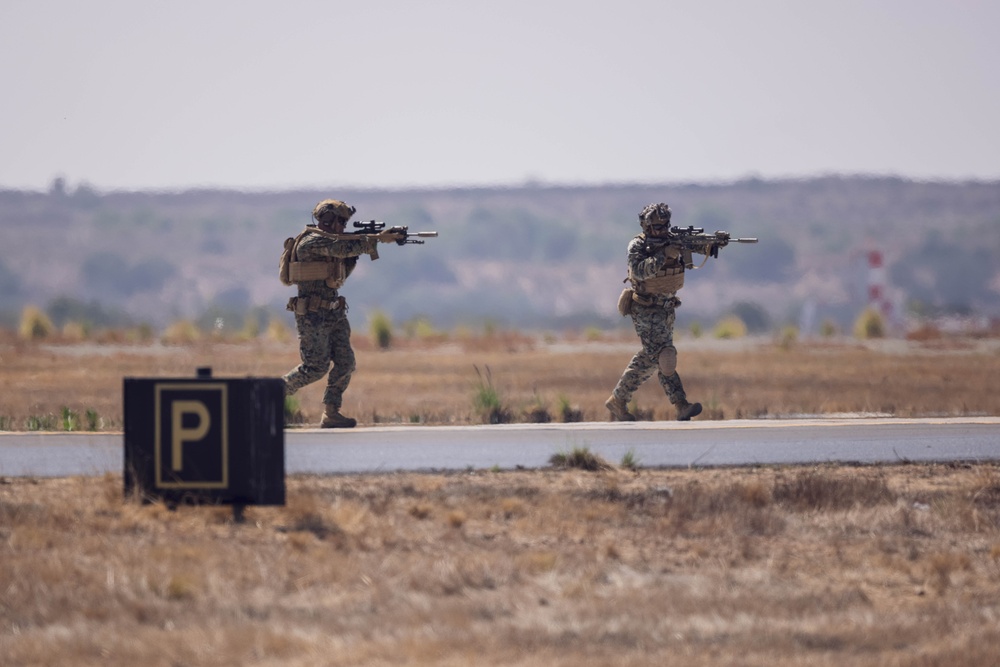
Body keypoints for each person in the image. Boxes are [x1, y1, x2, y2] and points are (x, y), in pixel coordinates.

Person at [281, 199, 403, 428]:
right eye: (341, 222)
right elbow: (340, 248)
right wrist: (375, 240)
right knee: (315, 368)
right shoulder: (310, 242)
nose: (343, 227)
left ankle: (331, 412)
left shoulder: (331, 242)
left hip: (333, 313)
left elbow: (341, 272)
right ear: (329, 220)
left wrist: (363, 248)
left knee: (346, 363)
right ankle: (272, 394)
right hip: (312, 315)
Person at [606, 202, 715, 422]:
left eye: (665, 225)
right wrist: (664, 255)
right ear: (646, 226)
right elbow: (638, 270)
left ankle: (619, 400)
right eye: (656, 227)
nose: (662, 230)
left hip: (666, 308)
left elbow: (691, 250)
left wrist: (707, 247)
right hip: (645, 308)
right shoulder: (637, 245)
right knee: (664, 355)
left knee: (654, 357)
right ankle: (679, 405)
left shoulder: (671, 239)